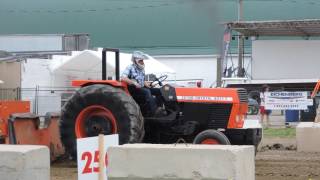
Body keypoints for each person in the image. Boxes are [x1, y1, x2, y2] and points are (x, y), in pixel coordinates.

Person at [121, 51, 162, 117]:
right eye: (140, 61)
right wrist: (134, 83)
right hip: (134, 89)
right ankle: (154, 111)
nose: (142, 62)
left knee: (160, 91)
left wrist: (148, 84)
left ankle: (160, 108)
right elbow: (123, 78)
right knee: (147, 92)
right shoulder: (130, 67)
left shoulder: (142, 69)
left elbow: (142, 80)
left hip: (141, 88)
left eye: (142, 61)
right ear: (135, 61)